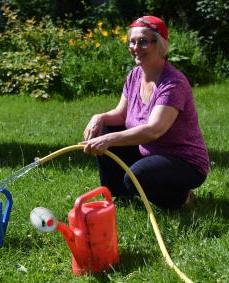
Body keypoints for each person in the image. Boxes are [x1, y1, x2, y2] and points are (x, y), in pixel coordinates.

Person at [80, 16, 209, 209]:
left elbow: (153, 130)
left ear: (160, 45)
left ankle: (181, 199)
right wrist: (99, 118)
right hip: (149, 152)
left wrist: (109, 140)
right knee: (106, 129)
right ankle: (120, 198)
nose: (135, 47)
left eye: (142, 42)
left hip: (183, 161)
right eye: (132, 42)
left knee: (137, 175)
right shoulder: (135, 75)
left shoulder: (173, 83)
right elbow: (121, 115)